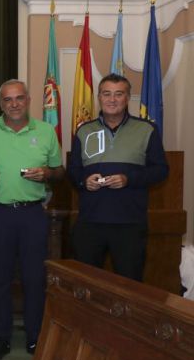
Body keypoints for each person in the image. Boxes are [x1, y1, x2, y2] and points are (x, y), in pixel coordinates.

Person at [0, 79, 64, 360]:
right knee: (0, 278)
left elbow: (60, 171)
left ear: (28, 100)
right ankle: (0, 339)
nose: (14, 104)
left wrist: (47, 174)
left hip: (32, 214)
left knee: (34, 279)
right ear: (0, 104)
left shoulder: (46, 130)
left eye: (19, 98)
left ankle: (35, 338)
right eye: (7, 100)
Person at [68, 73, 168, 281]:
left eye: (118, 94)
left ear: (127, 98)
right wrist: (83, 182)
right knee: (85, 285)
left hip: (129, 224)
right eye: (106, 94)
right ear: (99, 97)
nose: (112, 99)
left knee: (129, 287)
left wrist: (128, 179)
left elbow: (160, 170)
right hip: (90, 223)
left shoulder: (146, 130)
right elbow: (74, 170)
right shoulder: (83, 131)